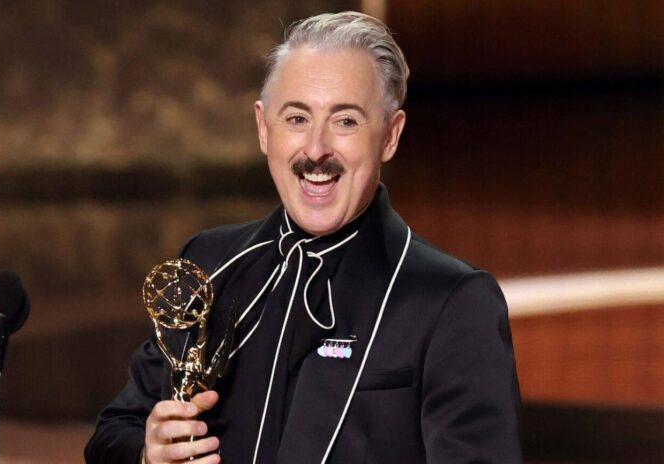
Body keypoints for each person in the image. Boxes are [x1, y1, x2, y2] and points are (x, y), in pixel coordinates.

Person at [85, 11, 521, 464]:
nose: (315, 149)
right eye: (296, 118)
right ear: (263, 128)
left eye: (346, 121)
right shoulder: (208, 265)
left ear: (390, 136)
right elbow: (113, 432)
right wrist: (147, 453)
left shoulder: (452, 302)